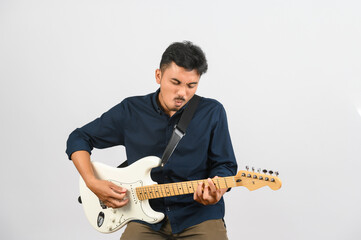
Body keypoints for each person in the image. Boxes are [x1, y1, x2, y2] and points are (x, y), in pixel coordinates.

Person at [66, 41, 238, 240]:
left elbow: (225, 165)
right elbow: (79, 137)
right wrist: (91, 181)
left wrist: (218, 189)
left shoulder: (212, 112)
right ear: (158, 76)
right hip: (144, 219)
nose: (183, 93)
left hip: (197, 215)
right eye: (175, 82)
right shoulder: (131, 110)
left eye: (192, 85)